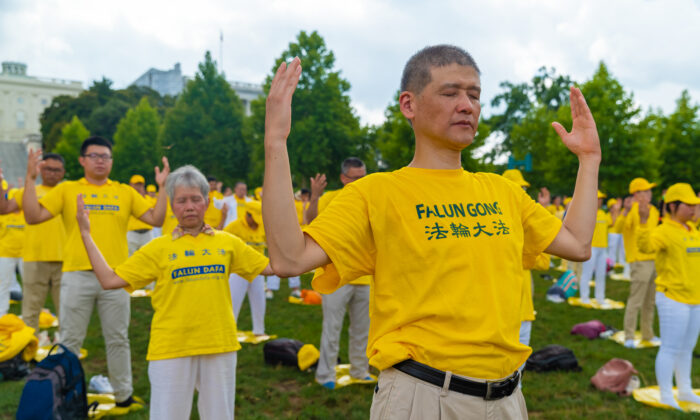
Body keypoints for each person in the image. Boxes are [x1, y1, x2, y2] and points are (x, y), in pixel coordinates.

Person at [262, 45, 600, 418]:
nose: (467, 105)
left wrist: (589, 160)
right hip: (423, 397)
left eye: (474, 95)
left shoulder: (502, 192)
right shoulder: (376, 193)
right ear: (409, 104)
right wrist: (276, 143)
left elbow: (578, 244)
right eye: (450, 92)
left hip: (507, 399)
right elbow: (289, 258)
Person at [76, 165, 273, 419]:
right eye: (181, 200)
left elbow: (271, 267)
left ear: (207, 201)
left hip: (219, 343)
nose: (189, 206)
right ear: (171, 205)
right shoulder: (158, 248)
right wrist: (85, 234)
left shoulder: (228, 242)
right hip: (170, 347)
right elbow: (109, 279)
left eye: (195, 199)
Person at [22, 136, 169, 410]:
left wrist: (162, 188)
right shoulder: (67, 190)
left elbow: (156, 219)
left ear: (112, 161)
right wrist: (30, 179)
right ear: (82, 160)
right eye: (94, 156)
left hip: (116, 278)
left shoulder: (124, 192)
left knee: (118, 338)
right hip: (78, 275)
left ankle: (123, 395)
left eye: (105, 156)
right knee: (69, 341)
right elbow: (32, 216)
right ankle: (64, 399)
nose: (101, 160)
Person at [304, 158, 372, 390]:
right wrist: (314, 197)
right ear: (344, 178)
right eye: (355, 178)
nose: (361, 182)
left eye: (364, 177)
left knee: (362, 329)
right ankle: (325, 374)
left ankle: (360, 370)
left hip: (365, 276)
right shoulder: (331, 199)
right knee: (332, 327)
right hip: (337, 275)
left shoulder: (371, 198)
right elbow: (310, 221)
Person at [637, 183, 700, 410]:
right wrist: (644, 222)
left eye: (695, 203)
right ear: (673, 206)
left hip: (695, 299)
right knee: (671, 348)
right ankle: (665, 393)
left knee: (687, 348)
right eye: (689, 204)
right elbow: (644, 246)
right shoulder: (664, 231)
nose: (694, 208)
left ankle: (685, 389)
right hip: (673, 298)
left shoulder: (692, 231)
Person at [0, 154, 65, 332]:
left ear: (63, 172)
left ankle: (66, 352)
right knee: (30, 311)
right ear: (41, 170)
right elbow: (3, 208)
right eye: (48, 169)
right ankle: (28, 351)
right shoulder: (29, 191)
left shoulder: (68, 191)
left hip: (64, 259)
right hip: (34, 258)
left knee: (66, 311)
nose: (52, 173)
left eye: (56, 169)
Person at [620, 178, 660, 348]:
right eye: (645, 191)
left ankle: (647, 334)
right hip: (639, 261)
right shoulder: (633, 210)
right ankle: (629, 335)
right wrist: (626, 211)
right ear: (636, 194)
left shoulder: (654, 211)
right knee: (636, 300)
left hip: (654, 259)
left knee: (650, 301)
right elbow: (620, 228)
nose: (649, 194)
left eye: (649, 191)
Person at [224, 201, 268, 335]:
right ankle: (229, 331)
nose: (256, 222)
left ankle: (259, 330)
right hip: (239, 271)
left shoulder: (262, 226)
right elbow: (223, 244)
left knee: (259, 300)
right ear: (247, 215)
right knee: (233, 301)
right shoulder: (234, 227)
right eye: (254, 218)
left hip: (258, 270)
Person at [578, 190, 612, 307]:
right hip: (591, 247)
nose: (600, 201)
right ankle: (584, 297)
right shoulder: (586, 213)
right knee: (586, 273)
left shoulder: (603, 214)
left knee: (601, 274)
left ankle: (600, 298)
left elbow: (612, 223)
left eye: (601, 199)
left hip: (603, 248)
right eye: (598, 199)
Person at [0, 185, 25, 315]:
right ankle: (1, 313)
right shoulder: (3, 215)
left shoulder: (27, 215)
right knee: (3, 284)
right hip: (5, 254)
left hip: (25, 255)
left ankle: (28, 313)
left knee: (30, 285)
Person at [126, 174, 155, 255]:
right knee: (129, 260)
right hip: (132, 233)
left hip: (147, 233)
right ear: (130, 185)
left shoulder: (149, 199)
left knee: (148, 259)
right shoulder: (126, 198)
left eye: (140, 185)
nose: (138, 187)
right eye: (136, 185)